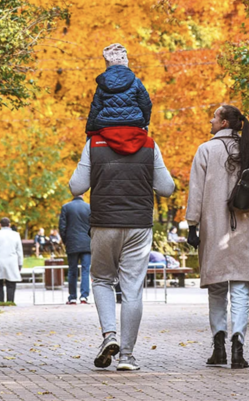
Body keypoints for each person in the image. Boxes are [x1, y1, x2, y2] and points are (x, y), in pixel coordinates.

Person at [69, 123, 175, 371]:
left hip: (104, 224)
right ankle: (126, 356)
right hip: (139, 225)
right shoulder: (149, 144)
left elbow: (76, 187)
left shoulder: (94, 144)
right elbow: (167, 188)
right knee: (132, 290)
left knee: (103, 280)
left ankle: (109, 335)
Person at [185, 104, 249, 368]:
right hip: (244, 229)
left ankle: (219, 348)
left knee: (216, 290)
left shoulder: (205, 150)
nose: (210, 120)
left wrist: (192, 226)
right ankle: (238, 347)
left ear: (224, 122)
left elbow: (196, 192)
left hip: (214, 231)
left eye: (214, 117)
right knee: (240, 291)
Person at [85, 44, 152, 135]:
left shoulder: (102, 84)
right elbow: (146, 105)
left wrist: (89, 129)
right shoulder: (136, 82)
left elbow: (96, 108)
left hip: (105, 124)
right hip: (134, 122)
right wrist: (145, 122)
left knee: (90, 146)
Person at [59, 195, 92, 305]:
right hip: (86, 244)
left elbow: (62, 227)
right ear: (82, 194)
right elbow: (93, 226)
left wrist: (66, 241)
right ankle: (84, 297)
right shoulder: (89, 207)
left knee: (72, 270)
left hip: (72, 243)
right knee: (85, 270)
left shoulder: (66, 207)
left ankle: (72, 297)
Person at [0, 217, 24, 303]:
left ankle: (0, 301)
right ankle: (10, 301)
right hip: (12, 262)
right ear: (9, 225)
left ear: (0, 225)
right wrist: (20, 263)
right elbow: (19, 251)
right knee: (11, 282)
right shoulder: (16, 235)